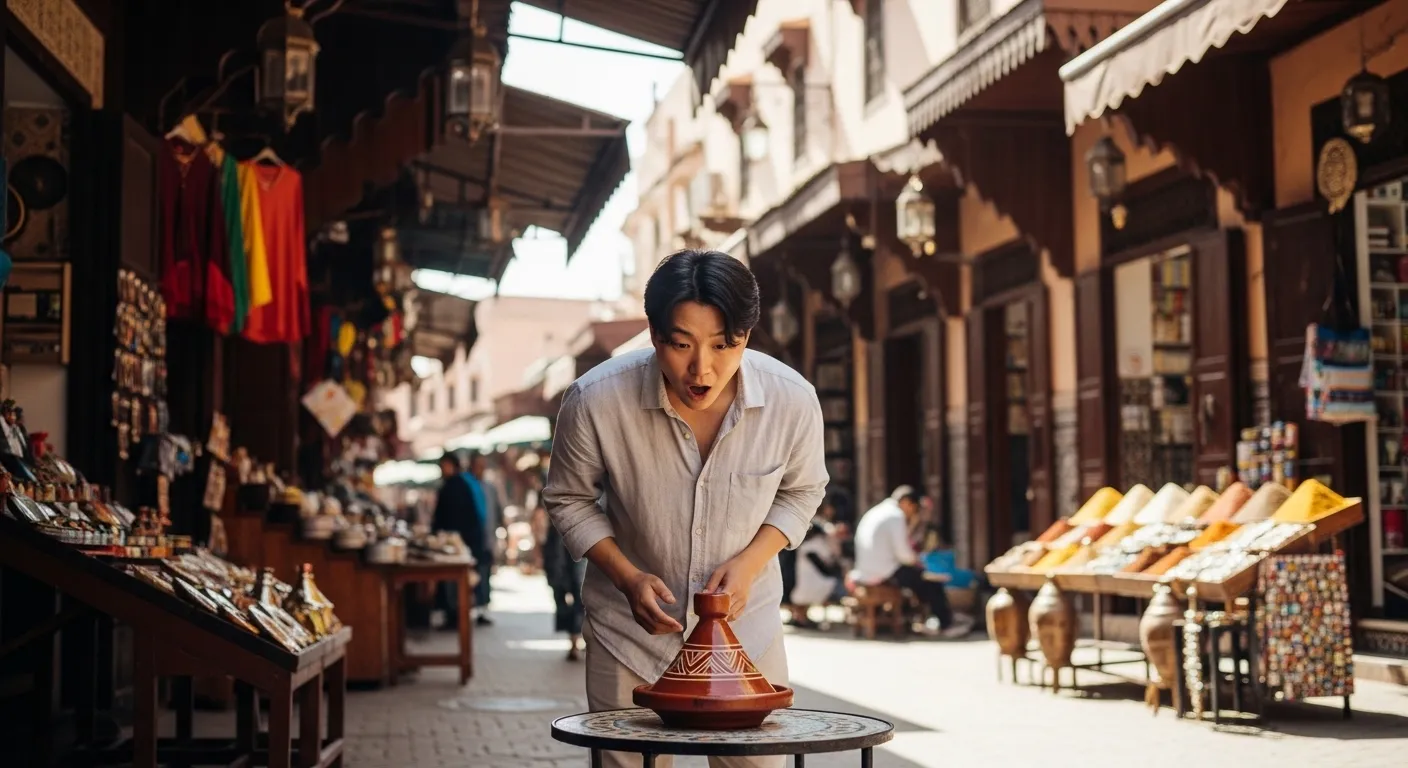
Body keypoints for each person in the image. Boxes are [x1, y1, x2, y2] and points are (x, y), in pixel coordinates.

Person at [544, 249, 828, 768]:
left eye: (726, 345)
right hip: (627, 637)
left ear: (748, 336)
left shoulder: (793, 401)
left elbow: (802, 491)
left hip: (748, 635)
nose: (703, 368)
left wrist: (748, 565)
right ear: (654, 336)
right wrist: (627, 577)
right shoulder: (594, 400)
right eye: (681, 345)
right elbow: (568, 498)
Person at [850, 485, 973, 638]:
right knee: (930, 583)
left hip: (866, 570)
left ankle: (927, 619)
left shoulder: (876, 512)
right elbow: (904, 554)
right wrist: (917, 562)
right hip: (885, 571)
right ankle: (946, 624)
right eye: (913, 508)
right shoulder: (895, 516)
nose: (912, 513)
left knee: (919, 579)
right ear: (907, 502)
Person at [430, 452, 486, 629]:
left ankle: (456, 616)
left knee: (455, 583)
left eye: (443, 465)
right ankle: (456, 616)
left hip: (458, 542)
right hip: (465, 540)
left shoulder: (456, 485)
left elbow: (451, 517)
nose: (442, 469)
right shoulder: (464, 483)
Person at [542, 511, 587, 660]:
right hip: (562, 557)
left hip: (576, 558)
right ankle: (575, 641)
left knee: (580, 601)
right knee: (570, 601)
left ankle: (576, 642)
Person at [467, 452, 499, 624]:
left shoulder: (490, 488)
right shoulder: (468, 486)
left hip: (488, 539)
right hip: (473, 540)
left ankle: (483, 609)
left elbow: (497, 513)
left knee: (484, 574)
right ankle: (471, 607)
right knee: (474, 575)